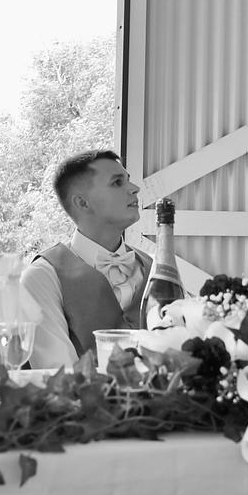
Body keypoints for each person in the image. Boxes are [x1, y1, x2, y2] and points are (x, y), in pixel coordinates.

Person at [21, 150, 152, 369]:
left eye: (128, 180)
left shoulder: (155, 268)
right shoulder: (42, 277)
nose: (134, 188)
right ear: (82, 203)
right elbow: (58, 373)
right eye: (117, 182)